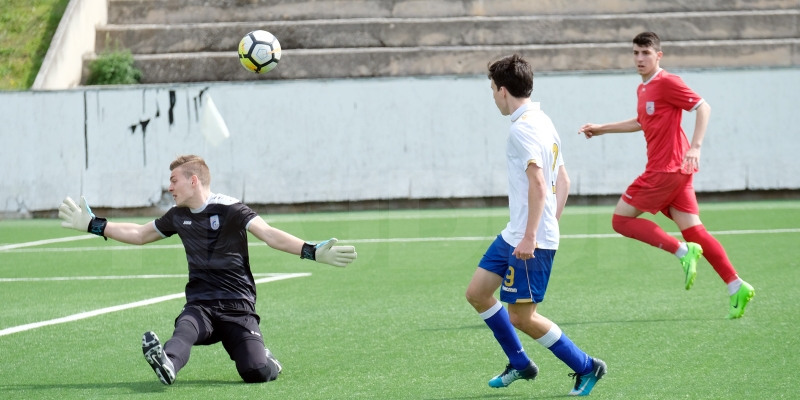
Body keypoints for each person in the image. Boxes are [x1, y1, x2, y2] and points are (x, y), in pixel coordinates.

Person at [58, 155, 357, 385]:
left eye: (174, 180)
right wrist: (93, 225)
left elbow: (269, 234)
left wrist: (313, 251)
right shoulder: (177, 216)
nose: (169, 186)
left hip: (238, 308)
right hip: (201, 304)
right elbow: (139, 234)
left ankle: (268, 360)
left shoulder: (230, 208)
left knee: (254, 371)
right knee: (184, 329)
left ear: (193, 181)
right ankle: (168, 365)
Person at [578, 32, 754, 319]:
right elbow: (641, 121)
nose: (639, 58)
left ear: (658, 56)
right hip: (677, 172)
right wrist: (601, 128)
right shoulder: (643, 89)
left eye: (645, 53)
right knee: (695, 231)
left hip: (665, 169)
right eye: (635, 53)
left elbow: (702, 107)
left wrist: (695, 147)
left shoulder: (667, 82)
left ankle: (682, 252)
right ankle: (737, 285)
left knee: (620, 220)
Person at [465, 54, 606, 397]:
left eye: (491, 89)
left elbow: (541, 185)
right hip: (517, 232)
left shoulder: (523, 129)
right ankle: (519, 363)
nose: (492, 96)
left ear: (502, 91)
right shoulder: (542, 120)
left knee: (522, 317)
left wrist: (535, 236)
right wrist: (544, 225)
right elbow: (565, 181)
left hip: (527, 238)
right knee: (478, 293)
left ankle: (587, 366)